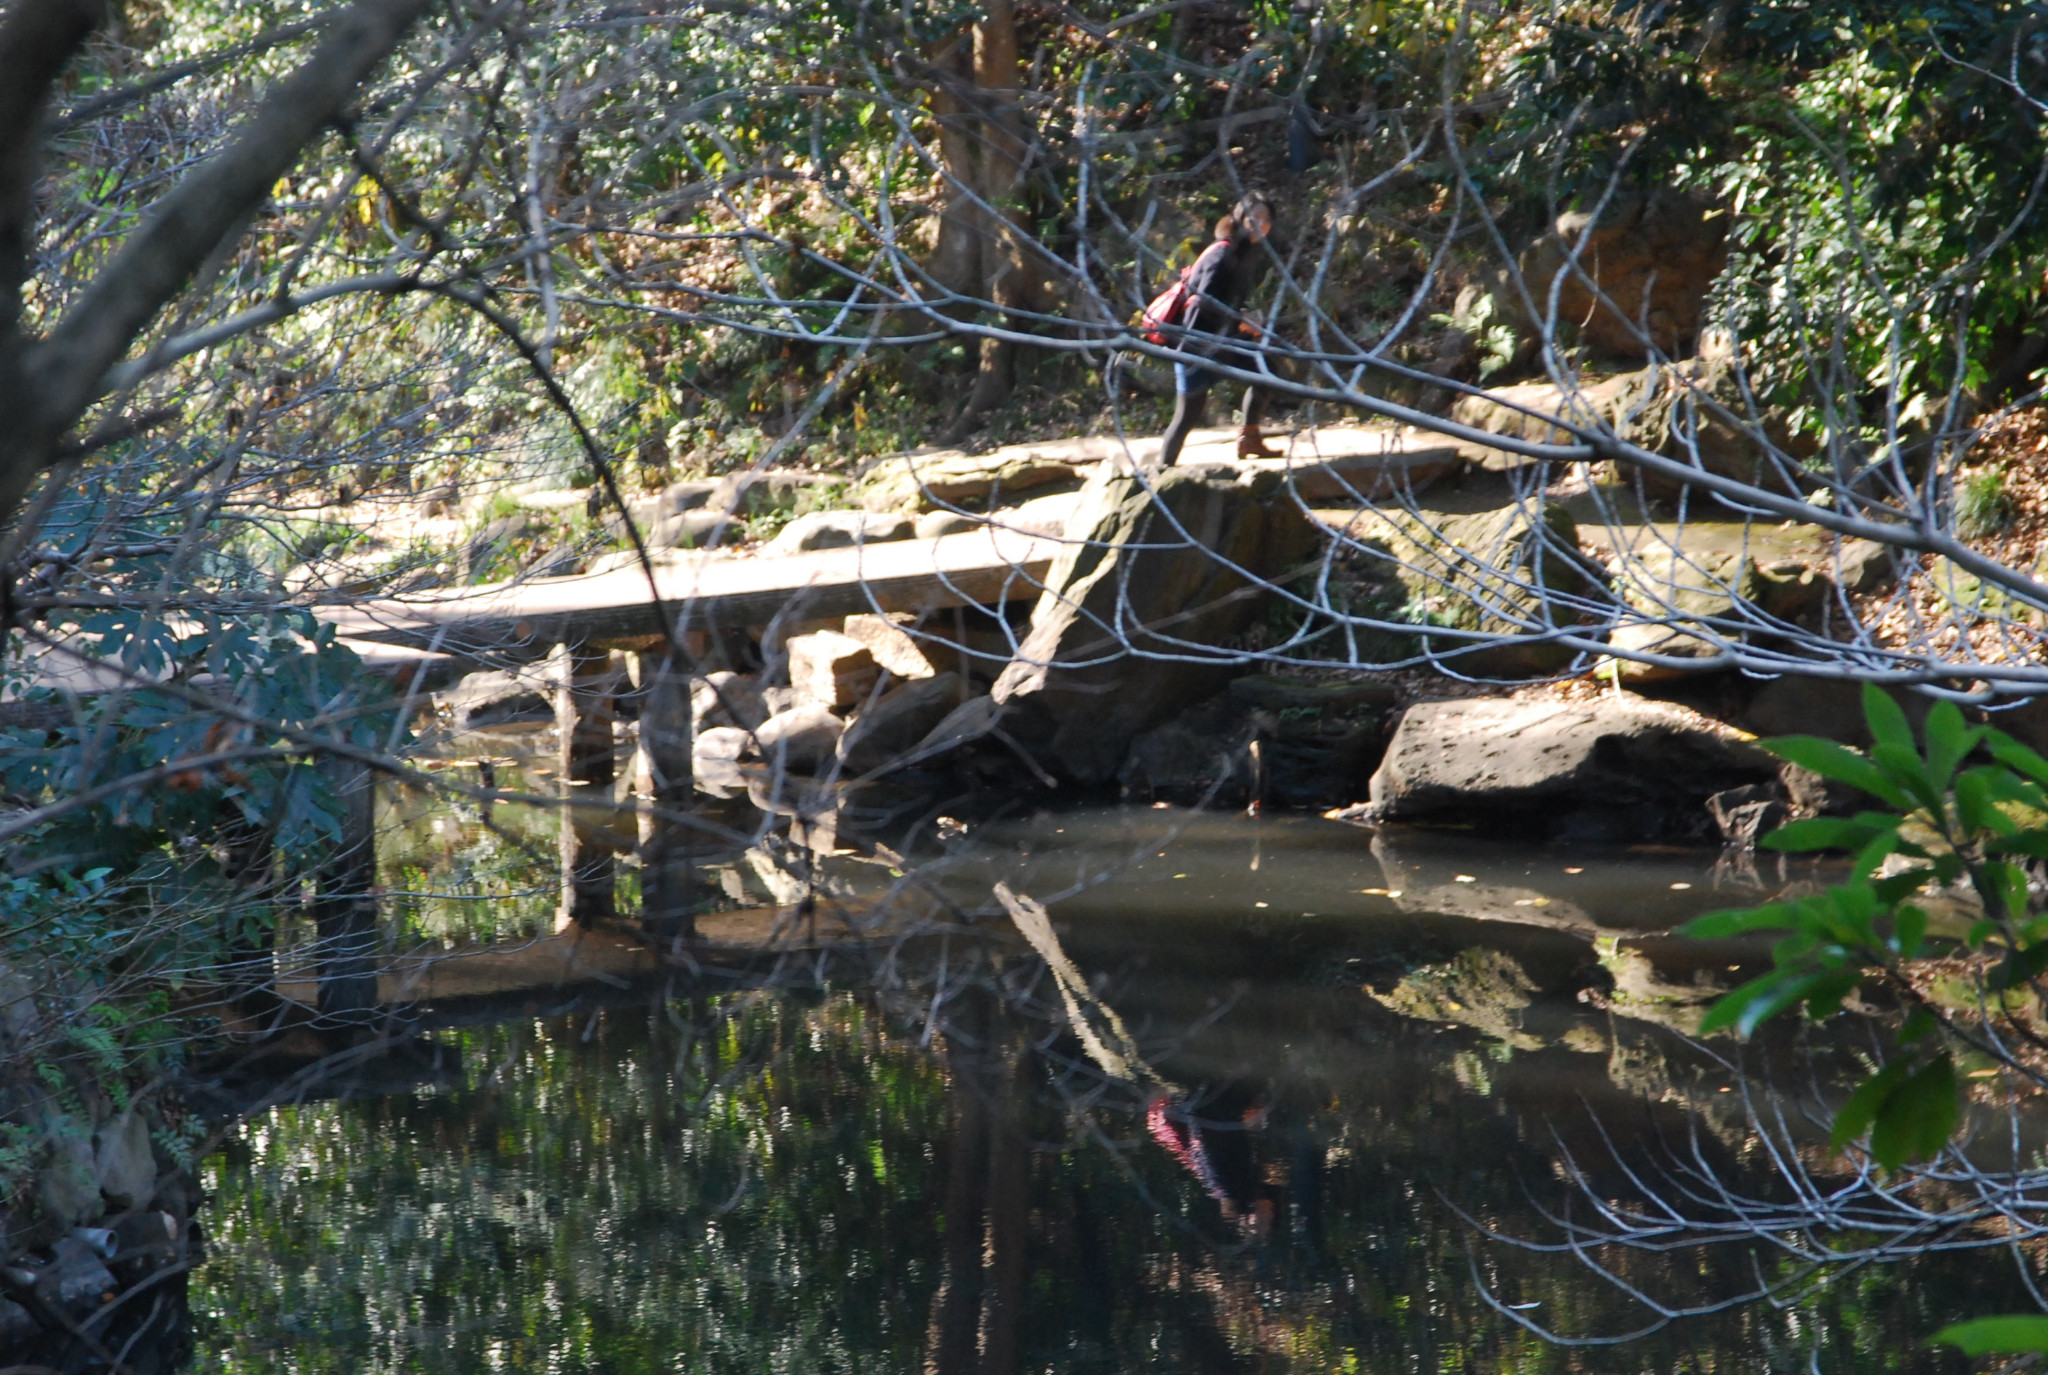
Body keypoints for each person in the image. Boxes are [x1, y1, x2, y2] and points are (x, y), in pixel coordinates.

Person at [1157, 195, 1282, 466]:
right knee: (1187, 415)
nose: (1260, 224)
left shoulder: (1242, 252)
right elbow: (1204, 302)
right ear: (1239, 219)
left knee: (1268, 371)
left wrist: (1245, 319)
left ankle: (1249, 438)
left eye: (1266, 220)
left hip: (1222, 342)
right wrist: (1241, 321)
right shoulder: (1222, 253)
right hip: (1197, 346)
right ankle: (1161, 472)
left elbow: (1225, 301)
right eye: (1254, 218)